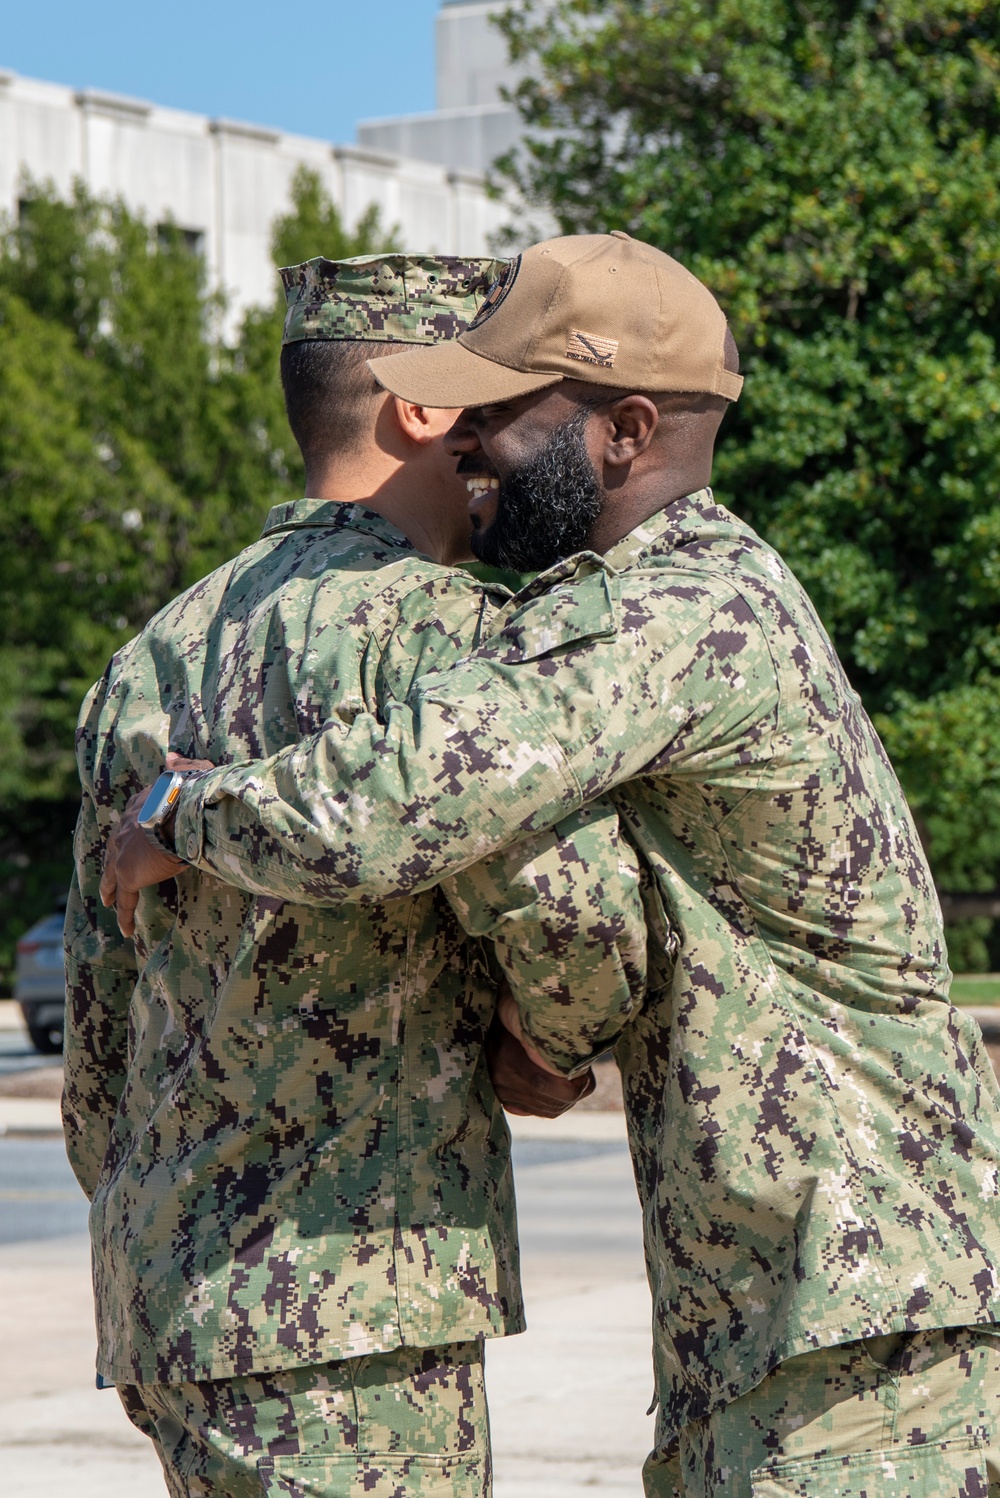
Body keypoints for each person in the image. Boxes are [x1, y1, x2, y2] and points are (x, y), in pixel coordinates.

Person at [106, 231, 1000, 1496]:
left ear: (625, 432)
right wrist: (555, 1025)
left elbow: (402, 792)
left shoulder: (674, 613)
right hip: (790, 1312)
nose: (467, 443)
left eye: (506, 413)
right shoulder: (664, 597)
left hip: (857, 1314)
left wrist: (185, 814)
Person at [67, 251, 648, 1498]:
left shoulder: (146, 657)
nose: (516, 445)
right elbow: (581, 933)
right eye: (500, 404)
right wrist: (550, 1042)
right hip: (358, 1309)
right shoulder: (450, 640)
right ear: (424, 409)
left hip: (171, 1305)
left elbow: (98, 1039)